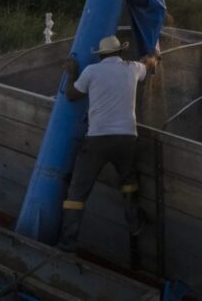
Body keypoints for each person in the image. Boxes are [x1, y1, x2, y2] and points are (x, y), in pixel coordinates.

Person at [57, 33, 159, 253]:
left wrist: (72, 72)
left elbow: (72, 95)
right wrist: (154, 56)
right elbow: (148, 66)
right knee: (128, 180)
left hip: (97, 140)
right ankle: (134, 223)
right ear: (120, 52)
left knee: (77, 192)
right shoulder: (132, 68)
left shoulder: (92, 71)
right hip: (126, 139)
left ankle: (68, 244)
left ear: (101, 55)